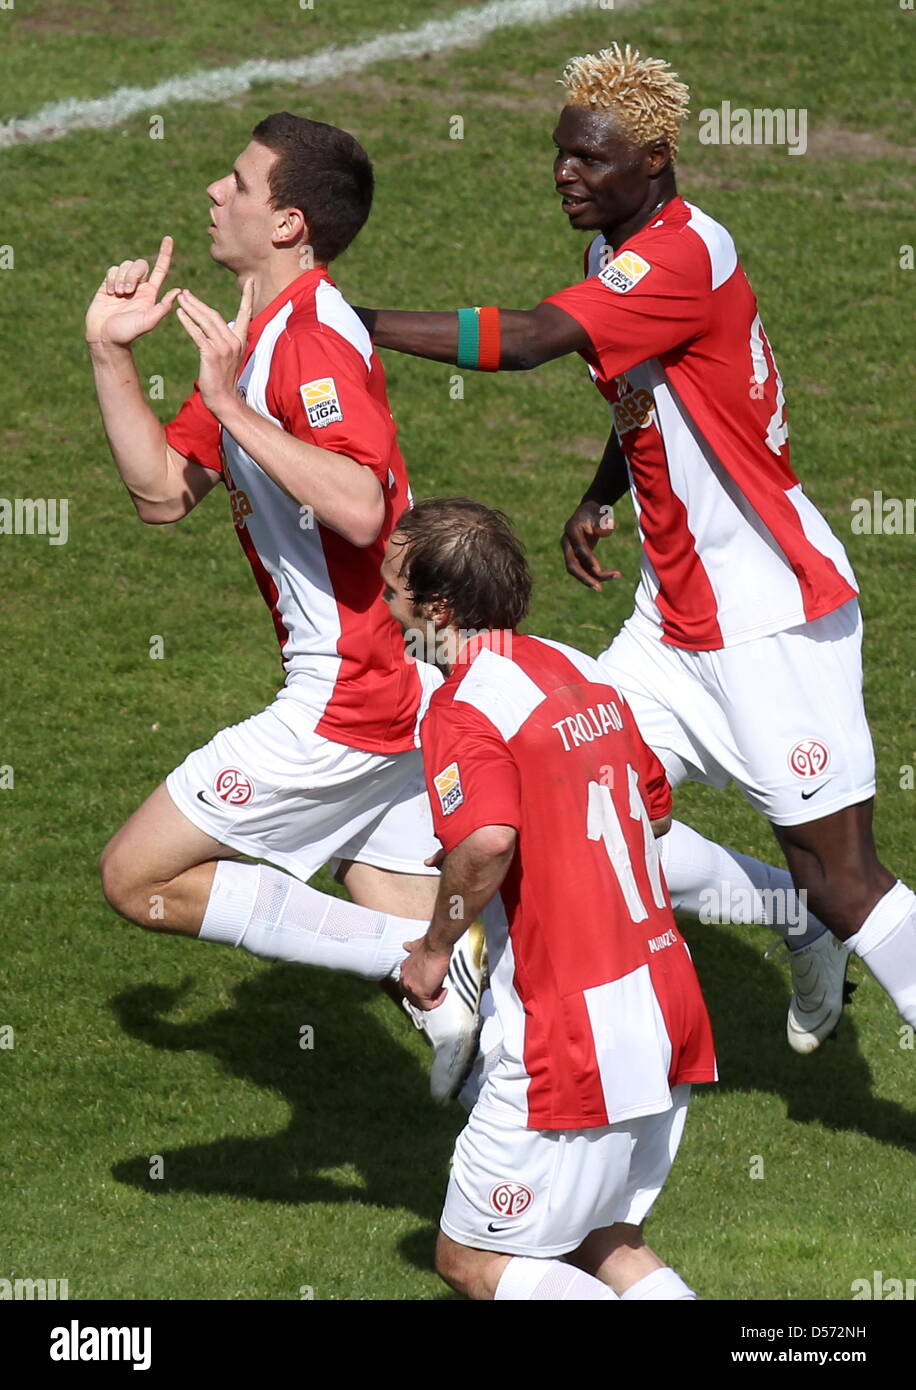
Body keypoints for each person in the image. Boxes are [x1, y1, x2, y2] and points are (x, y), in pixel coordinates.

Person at [355, 45, 916, 1045]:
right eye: (561, 154)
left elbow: (528, 340)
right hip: (671, 620)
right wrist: (598, 491)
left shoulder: (682, 253)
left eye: (591, 160)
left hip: (769, 619)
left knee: (842, 878)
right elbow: (654, 397)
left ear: (652, 161)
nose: (566, 174)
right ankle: (786, 918)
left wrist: (355, 324)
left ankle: (815, 917)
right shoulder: (613, 255)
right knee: (588, 803)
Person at [85, 112, 482, 1099]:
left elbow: (359, 504)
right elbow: (162, 493)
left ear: (289, 221)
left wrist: (230, 408)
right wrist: (109, 354)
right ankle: (533, 1148)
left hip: (350, 693)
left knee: (137, 877)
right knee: (414, 930)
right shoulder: (258, 337)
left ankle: (421, 955)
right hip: (396, 685)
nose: (215, 194)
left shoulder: (303, 344)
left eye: (237, 183)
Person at [384, 498, 717, 1301]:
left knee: (472, 1262)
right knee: (607, 1240)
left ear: (437, 609)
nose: (382, 606)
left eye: (392, 591)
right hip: (665, 995)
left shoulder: (462, 708)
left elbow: (488, 842)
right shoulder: (579, 666)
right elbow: (656, 806)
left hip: (573, 1026)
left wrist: (433, 952)